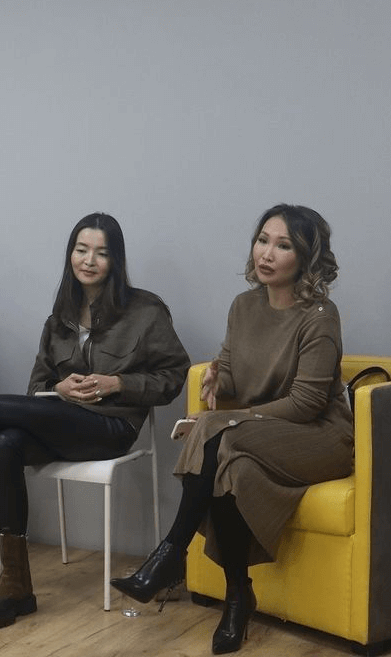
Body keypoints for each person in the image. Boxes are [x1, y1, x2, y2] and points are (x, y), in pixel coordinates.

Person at [0, 212, 190, 629]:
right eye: (81, 250)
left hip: (112, 428)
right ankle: (15, 585)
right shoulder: (60, 316)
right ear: (71, 254)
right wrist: (59, 388)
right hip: (66, 422)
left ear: (116, 260)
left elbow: (174, 375)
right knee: (5, 443)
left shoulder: (145, 310)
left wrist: (118, 382)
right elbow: (37, 385)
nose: (89, 260)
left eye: (101, 253)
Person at [111, 204, 351, 655]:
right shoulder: (243, 306)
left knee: (220, 433)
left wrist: (230, 418)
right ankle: (238, 597)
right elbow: (240, 379)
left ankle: (170, 555)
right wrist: (219, 378)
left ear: (306, 257)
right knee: (230, 466)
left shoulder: (321, 315)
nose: (267, 253)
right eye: (263, 240)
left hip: (321, 437)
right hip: (263, 435)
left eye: (283, 245)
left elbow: (306, 404)